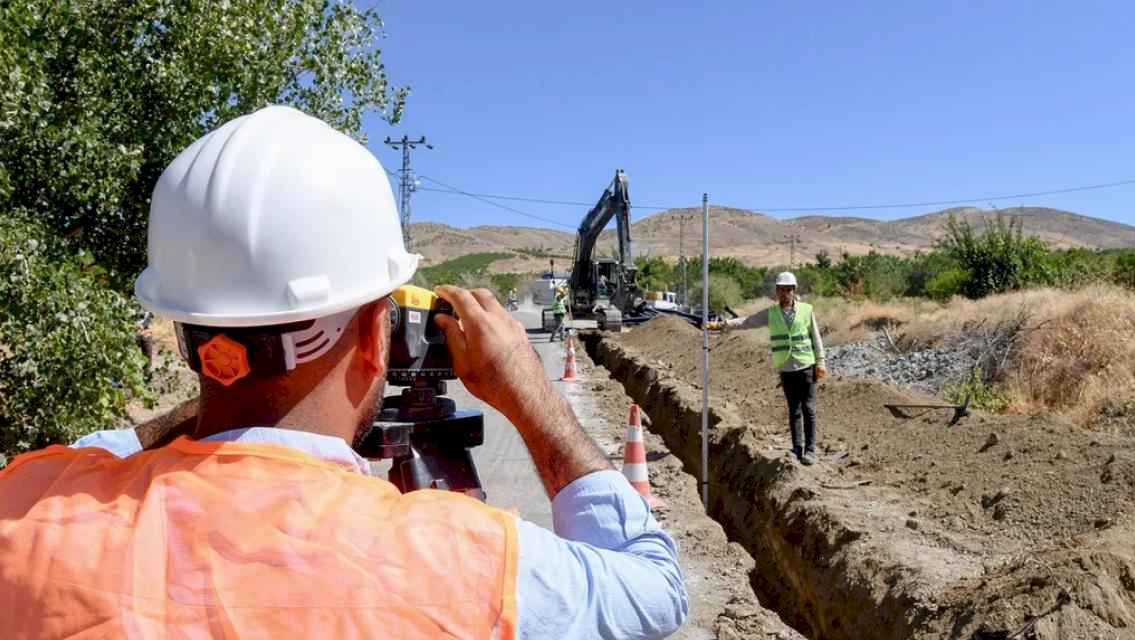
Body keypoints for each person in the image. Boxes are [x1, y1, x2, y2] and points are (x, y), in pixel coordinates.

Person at [0, 106, 686, 639]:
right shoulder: (451, 562)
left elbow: (104, 451)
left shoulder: (33, 507)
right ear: (372, 337)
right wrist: (528, 393)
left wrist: (223, 405)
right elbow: (653, 588)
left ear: (185, 335)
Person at [727, 271, 827, 465]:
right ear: (776, 291)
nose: (784, 293)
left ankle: (811, 449)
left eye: (788, 289)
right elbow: (748, 321)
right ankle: (797, 448)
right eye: (781, 290)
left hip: (806, 365)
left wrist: (821, 362)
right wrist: (724, 324)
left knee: (809, 408)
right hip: (786, 368)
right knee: (794, 410)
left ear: (794, 291)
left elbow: (816, 337)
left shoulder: (807, 310)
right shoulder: (771, 313)